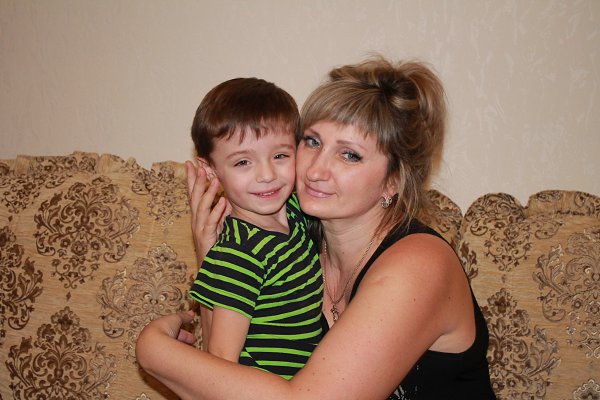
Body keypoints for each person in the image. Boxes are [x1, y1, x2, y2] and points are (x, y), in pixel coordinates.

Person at [136, 56, 496, 399]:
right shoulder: (295, 237)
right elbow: (223, 378)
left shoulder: (420, 265)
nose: (315, 170)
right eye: (312, 141)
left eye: (349, 154)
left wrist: (154, 351)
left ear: (393, 182)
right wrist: (212, 255)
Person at [186, 77, 323, 379]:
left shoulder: (297, 210)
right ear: (211, 171)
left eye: (280, 156)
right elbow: (221, 361)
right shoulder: (240, 253)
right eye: (243, 162)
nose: (266, 174)